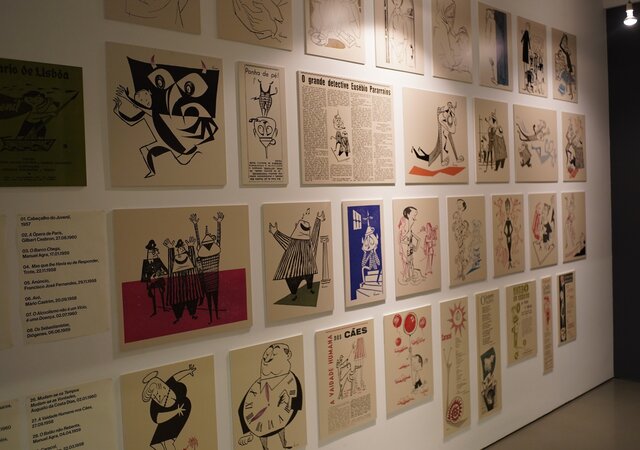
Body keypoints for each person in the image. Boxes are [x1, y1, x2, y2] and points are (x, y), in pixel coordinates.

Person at [141, 364, 196, 450]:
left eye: (157, 393)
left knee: (168, 442)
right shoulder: (155, 405)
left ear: (162, 386)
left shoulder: (170, 386)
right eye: (154, 396)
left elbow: (176, 377)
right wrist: (176, 411)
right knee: (157, 444)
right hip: (167, 419)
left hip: (179, 414)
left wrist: (189, 371)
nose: (157, 397)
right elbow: (158, 418)